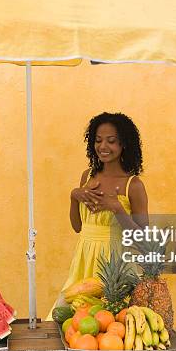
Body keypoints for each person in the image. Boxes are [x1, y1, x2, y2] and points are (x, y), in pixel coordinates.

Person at [51, 112, 149, 314]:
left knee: (111, 326)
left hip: (115, 268)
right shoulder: (87, 176)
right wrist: (73, 196)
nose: (103, 147)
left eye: (111, 141)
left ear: (124, 144)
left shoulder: (133, 185)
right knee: (72, 321)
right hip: (83, 261)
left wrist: (117, 208)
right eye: (98, 140)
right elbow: (78, 227)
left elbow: (143, 240)